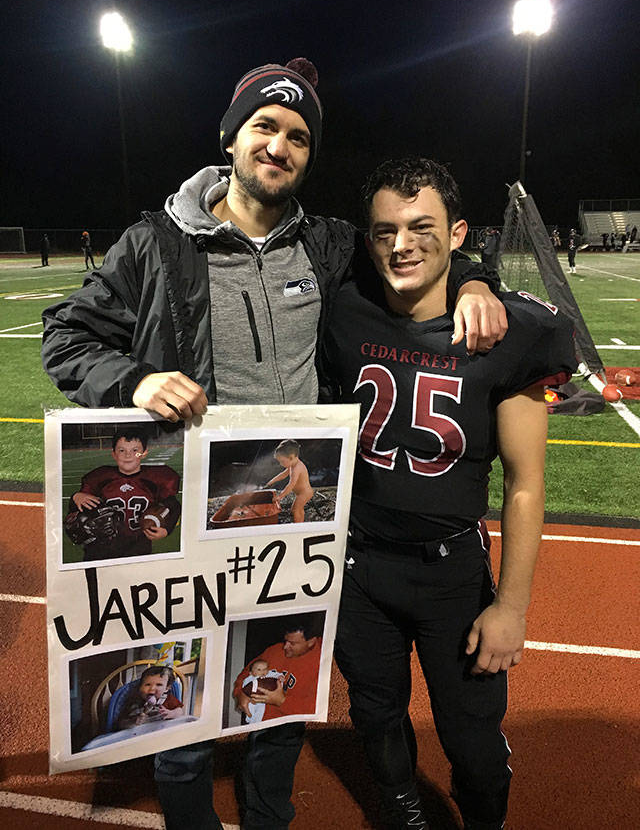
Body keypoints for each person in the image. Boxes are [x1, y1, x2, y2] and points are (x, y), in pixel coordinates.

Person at [42, 59, 508, 829]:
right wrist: (132, 381)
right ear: (231, 137)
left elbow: (416, 255)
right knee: (183, 719)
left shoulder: (326, 246)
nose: (280, 146)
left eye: (298, 136)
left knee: (279, 703)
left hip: (291, 523)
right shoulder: (157, 243)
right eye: (265, 126)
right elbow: (65, 333)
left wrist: (476, 280)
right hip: (191, 523)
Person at [325, 157, 576, 829]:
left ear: (459, 232)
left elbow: (525, 483)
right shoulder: (345, 306)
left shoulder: (507, 330)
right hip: (358, 567)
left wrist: (513, 606)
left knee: (471, 736)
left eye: (421, 227)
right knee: (374, 713)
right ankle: (404, 813)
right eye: (385, 231)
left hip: (450, 572)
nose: (400, 244)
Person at [66, 427, 181, 560]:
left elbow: (173, 505)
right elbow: (77, 511)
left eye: (135, 450)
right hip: (100, 549)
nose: (128, 455)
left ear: (144, 453)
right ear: (114, 454)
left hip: (138, 548)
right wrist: (76, 496)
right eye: (122, 450)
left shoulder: (156, 479)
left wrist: (167, 530)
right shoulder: (99, 478)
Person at [233, 621, 322, 722]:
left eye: (292, 643)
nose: (285, 647)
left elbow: (321, 710)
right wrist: (241, 692)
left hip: (290, 727)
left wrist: (282, 701)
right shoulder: (273, 651)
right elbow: (246, 672)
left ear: (311, 641)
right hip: (257, 723)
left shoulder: (325, 661)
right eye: (285, 641)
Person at [116, 666, 184, 730]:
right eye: (147, 684)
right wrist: (133, 721)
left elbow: (180, 711)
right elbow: (121, 724)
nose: (152, 689)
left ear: (167, 688)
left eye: (159, 685)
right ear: (140, 687)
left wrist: (171, 713)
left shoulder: (168, 699)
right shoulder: (135, 701)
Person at [264, 438, 314, 522]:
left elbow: (291, 485)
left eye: (282, 461)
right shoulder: (292, 465)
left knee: (295, 510)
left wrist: (280, 496)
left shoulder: (297, 468)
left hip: (304, 493)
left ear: (291, 457)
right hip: (300, 493)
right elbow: (283, 475)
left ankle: (297, 527)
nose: (281, 464)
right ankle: (301, 521)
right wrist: (271, 481)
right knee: (297, 509)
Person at [240, 659, 285, 724]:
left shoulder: (269, 674)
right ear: (251, 673)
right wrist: (248, 696)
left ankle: (256, 723)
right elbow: (244, 688)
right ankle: (249, 719)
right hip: (252, 698)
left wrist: (280, 677)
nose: (263, 671)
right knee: (250, 708)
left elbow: (276, 674)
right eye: (259, 670)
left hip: (263, 700)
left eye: (265, 669)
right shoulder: (250, 678)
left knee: (261, 711)